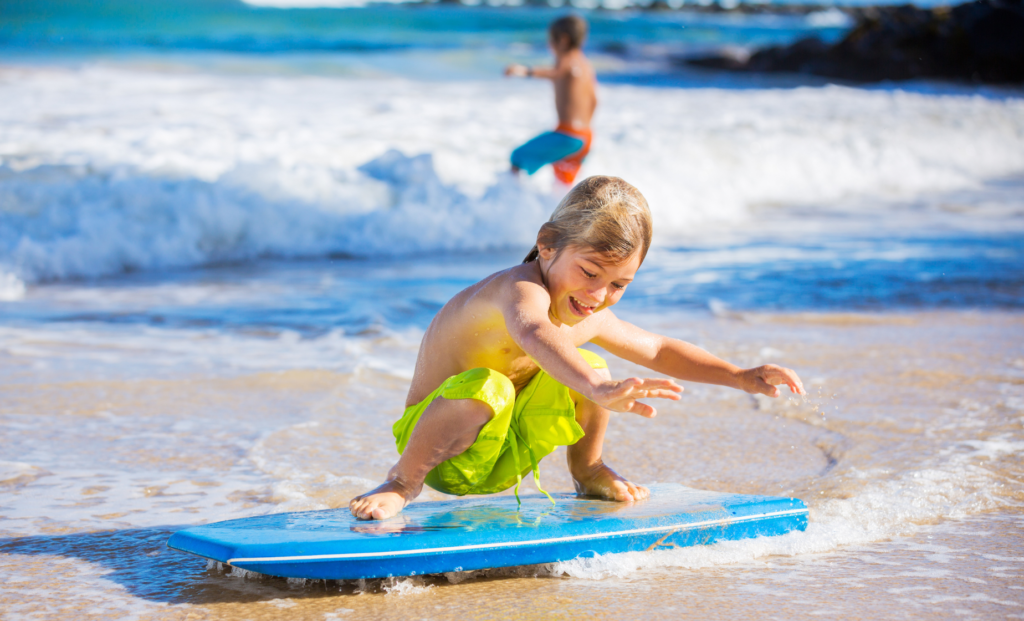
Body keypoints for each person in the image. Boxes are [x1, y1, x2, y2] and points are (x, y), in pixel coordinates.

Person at [349, 176, 806, 521]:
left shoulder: (587, 312)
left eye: (619, 284)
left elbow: (658, 349)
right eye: (589, 273)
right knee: (495, 385)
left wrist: (738, 376)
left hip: (507, 453)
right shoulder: (516, 291)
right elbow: (533, 333)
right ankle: (401, 482)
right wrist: (599, 387)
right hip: (440, 450)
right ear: (547, 245)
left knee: (590, 359)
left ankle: (588, 470)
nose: (599, 295)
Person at [504, 15, 597, 185]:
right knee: (562, 188)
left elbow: (555, 72)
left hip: (568, 135)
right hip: (586, 137)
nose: (549, 45)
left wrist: (524, 71)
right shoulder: (586, 65)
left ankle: (503, 199)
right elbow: (594, 101)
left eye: (550, 40)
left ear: (562, 40)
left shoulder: (567, 60)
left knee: (517, 156)